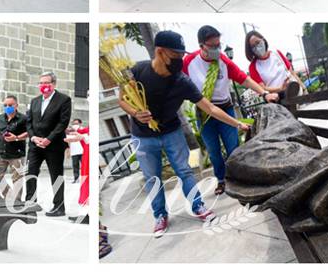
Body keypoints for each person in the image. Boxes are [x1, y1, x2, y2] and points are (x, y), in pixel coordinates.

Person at [119, 30, 250, 237]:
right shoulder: (138, 71)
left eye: (182, 55)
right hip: (142, 136)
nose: (180, 60)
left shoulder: (181, 81)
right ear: (160, 51)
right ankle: (160, 216)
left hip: (172, 132)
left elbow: (211, 108)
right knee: (152, 178)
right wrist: (135, 113)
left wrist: (237, 124)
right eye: (176, 55)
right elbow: (122, 98)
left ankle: (198, 206)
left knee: (185, 171)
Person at [183, 26, 278, 196]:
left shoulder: (223, 61)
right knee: (213, 151)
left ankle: (239, 178)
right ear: (201, 46)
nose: (217, 49)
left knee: (233, 147)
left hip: (225, 109)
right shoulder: (189, 62)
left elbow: (244, 79)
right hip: (204, 113)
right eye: (212, 46)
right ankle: (221, 180)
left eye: (219, 45)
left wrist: (264, 93)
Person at [25, 71, 72, 216]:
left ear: (54, 84)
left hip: (54, 145)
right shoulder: (34, 101)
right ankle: (30, 204)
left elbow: (62, 123)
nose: (44, 85)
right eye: (41, 83)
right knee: (30, 173)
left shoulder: (64, 100)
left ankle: (59, 207)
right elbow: (29, 123)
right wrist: (33, 138)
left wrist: (49, 139)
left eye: (47, 82)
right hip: (35, 145)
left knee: (56, 176)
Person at [245, 31, 304, 97]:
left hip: (294, 89)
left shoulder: (277, 53)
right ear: (250, 50)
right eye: (253, 46)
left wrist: (304, 88)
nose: (257, 47)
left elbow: (292, 72)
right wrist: (280, 88)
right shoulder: (253, 67)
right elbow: (262, 88)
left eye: (258, 42)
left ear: (263, 40)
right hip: (276, 98)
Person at [0, 95, 28, 197]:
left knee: (17, 179)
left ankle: (16, 202)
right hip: (1, 154)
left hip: (17, 155)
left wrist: (16, 137)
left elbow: (29, 133)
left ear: (16, 105)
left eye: (10, 105)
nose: (7, 107)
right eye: (5, 105)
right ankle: (9, 196)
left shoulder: (23, 119)